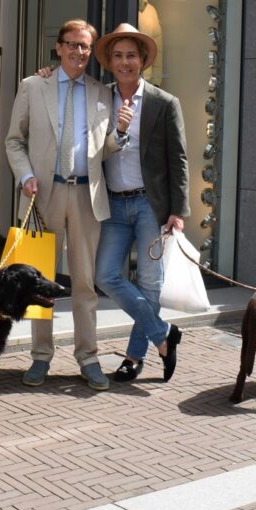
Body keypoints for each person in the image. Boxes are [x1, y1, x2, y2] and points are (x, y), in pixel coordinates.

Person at [4, 20, 127, 391]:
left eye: (85, 47)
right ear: (58, 48)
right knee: (41, 282)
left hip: (88, 198)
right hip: (44, 197)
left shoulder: (102, 94)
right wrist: (25, 176)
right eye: (72, 45)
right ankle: (41, 356)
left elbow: (101, 150)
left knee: (85, 283)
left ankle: (88, 357)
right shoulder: (32, 87)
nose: (79, 52)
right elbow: (14, 141)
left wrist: (119, 135)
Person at [91, 23, 189, 382]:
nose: (124, 62)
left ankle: (134, 358)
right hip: (114, 205)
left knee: (150, 283)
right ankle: (163, 335)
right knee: (105, 274)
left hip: (151, 204)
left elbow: (178, 159)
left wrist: (178, 210)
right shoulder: (100, 98)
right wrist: (45, 74)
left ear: (143, 59)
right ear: (110, 62)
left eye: (131, 55)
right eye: (117, 56)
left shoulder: (165, 103)